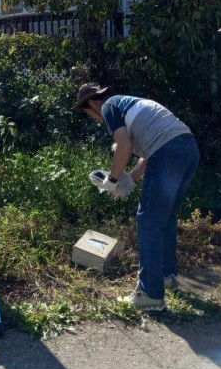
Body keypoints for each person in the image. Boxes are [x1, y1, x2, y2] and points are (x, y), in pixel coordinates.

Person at [74, 82, 200, 311]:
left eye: (89, 115)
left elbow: (124, 144)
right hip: (188, 149)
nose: (95, 120)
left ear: (93, 103)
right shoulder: (131, 104)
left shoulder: (109, 106)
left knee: (148, 220)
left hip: (168, 151)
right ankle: (165, 277)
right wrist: (129, 179)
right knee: (166, 218)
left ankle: (150, 294)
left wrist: (111, 181)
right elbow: (148, 154)